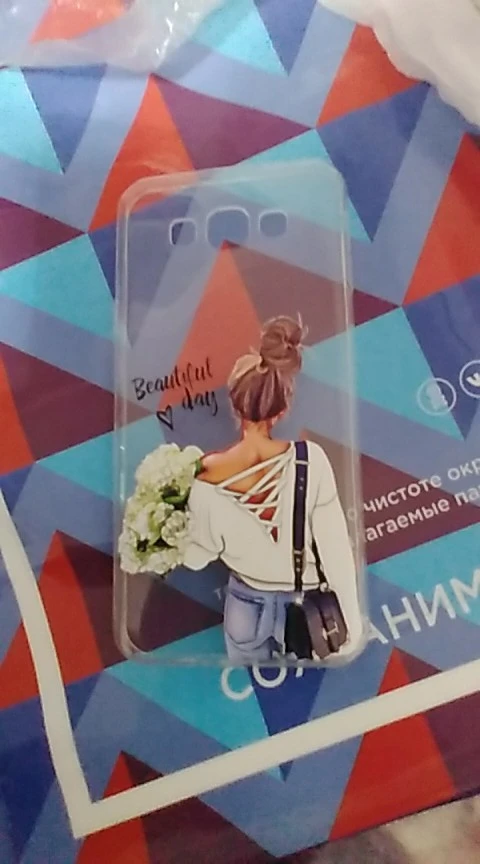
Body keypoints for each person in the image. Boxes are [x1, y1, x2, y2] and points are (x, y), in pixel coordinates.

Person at [184, 315, 364, 663]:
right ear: (282, 409)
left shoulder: (205, 474)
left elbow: (196, 558)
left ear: (234, 401)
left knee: (255, 681)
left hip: (245, 609)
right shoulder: (310, 461)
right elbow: (336, 552)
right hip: (308, 609)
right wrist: (351, 626)